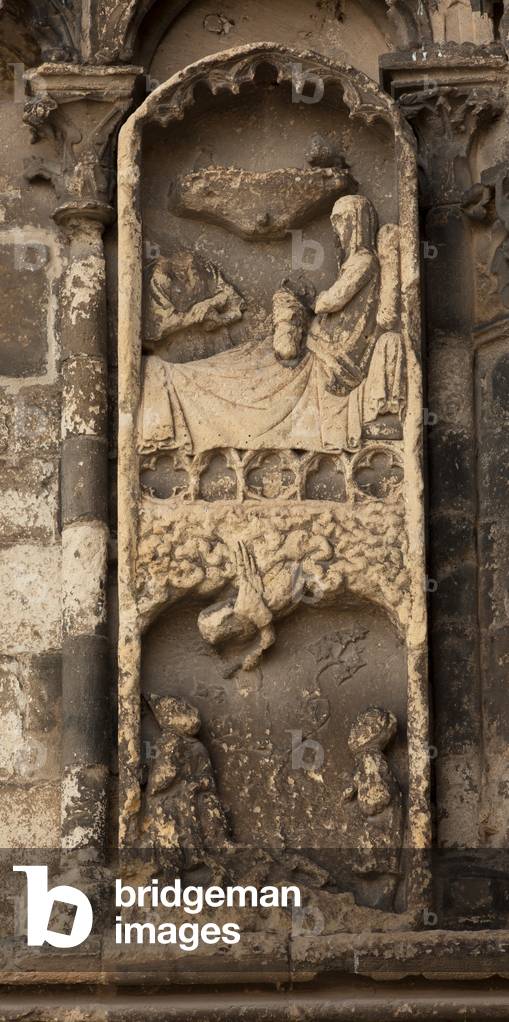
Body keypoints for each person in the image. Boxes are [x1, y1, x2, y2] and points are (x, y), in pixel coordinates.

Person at [138, 195, 406, 457]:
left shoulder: (364, 262)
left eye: (343, 223)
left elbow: (329, 303)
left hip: (328, 359)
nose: (338, 232)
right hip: (319, 348)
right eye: (336, 224)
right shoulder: (356, 263)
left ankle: (181, 384)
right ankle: (183, 380)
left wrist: (308, 298)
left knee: (251, 376)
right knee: (249, 360)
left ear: (358, 224)